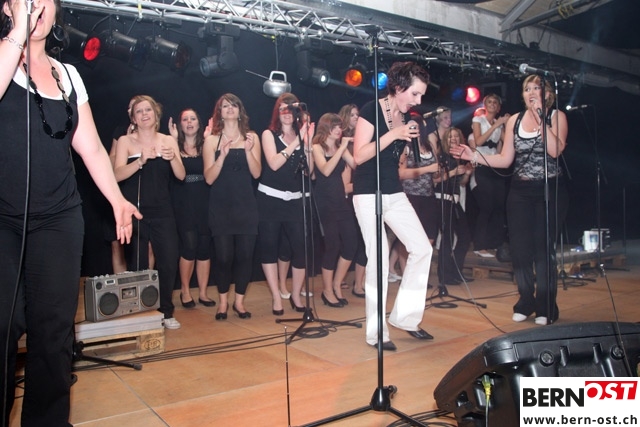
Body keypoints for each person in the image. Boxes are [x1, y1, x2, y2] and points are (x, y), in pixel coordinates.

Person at [0, 1, 141, 424]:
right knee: (4, 327)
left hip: (59, 218)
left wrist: (117, 199)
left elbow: (92, 147)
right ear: (7, 7)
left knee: (54, 332)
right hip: (3, 220)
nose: (36, 5)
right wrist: (16, 34)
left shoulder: (69, 75)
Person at [451, 74, 569, 326]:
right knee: (519, 249)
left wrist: (540, 117)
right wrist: (474, 156)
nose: (531, 93)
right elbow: (504, 160)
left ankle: (546, 306)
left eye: (536, 88)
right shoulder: (514, 120)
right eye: (527, 89)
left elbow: (555, 150)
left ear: (547, 94)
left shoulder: (556, 117)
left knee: (543, 249)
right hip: (520, 191)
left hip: (548, 190)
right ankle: (525, 301)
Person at [352, 61, 434, 351]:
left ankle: (406, 318)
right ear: (398, 88)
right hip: (367, 194)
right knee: (379, 261)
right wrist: (394, 135)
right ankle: (377, 332)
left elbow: (395, 163)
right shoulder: (371, 109)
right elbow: (359, 156)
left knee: (422, 248)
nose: (418, 101)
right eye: (414, 94)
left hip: (394, 192)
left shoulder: (407, 117)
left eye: (421, 95)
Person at [114, 95, 185, 330]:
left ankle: (166, 311)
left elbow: (181, 175)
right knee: (139, 266)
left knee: (168, 262)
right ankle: (142, 314)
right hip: (136, 212)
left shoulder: (167, 140)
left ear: (156, 114)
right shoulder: (125, 141)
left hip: (163, 211)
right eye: (139, 111)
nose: (144, 114)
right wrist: (140, 161)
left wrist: (172, 157)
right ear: (133, 118)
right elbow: (116, 175)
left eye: (148, 110)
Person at [203, 93, 261, 320]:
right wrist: (222, 156)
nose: (230, 109)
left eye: (234, 105)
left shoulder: (251, 137)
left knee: (245, 256)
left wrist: (247, 150)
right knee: (224, 258)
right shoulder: (211, 141)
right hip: (221, 207)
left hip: (246, 207)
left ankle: (239, 302)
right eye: (225, 106)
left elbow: (256, 173)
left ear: (240, 111)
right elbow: (209, 178)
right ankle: (223, 302)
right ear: (219, 112)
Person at [257, 93, 314, 315]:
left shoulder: (302, 136)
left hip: (295, 200)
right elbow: (273, 163)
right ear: (277, 112)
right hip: (270, 199)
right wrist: (296, 143)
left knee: (300, 249)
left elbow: (310, 173)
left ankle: (296, 295)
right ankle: (276, 297)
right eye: (283, 109)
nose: (287, 113)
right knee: (269, 248)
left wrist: (307, 144)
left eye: (291, 109)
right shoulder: (268, 134)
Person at [169, 108, 215, 309]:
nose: (189, 122)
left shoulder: (207, 145)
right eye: (185, 119)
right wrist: (172, 140)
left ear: (199, 122)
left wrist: (209, 138)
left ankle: (203, 293)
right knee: (189, 246)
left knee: (204, 247)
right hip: (183, 202)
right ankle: (185, 291)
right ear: (180, 124)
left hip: (205, 201)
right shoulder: (174, 146)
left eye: (193, 118)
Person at [311, 112, 359, 307]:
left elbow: (355, 164)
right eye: (336, 126)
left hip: (340, 201)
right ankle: (327, 290)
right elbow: (326, 170)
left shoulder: (341, 148)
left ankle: (337, 284)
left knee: (351, 242)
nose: (339, 130)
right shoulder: (317, 147)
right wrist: (342, 149)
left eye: (340, 126)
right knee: (332, 246)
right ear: (326, 127)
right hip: (324, 202)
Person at [469, 94, 510, 258]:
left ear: (499, 107)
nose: (492, 104)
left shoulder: (498, 124)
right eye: (489, 102)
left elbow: (507, 144)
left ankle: (495, 243)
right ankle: (479, 245)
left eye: (495, 102)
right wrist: (497, 125)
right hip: (482, 166)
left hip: (495, 166)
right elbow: (478, 141)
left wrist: (504, 125)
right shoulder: (478, 120)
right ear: (485, 105)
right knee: (486, 207)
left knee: (498, 206)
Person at [433, 127, 473, 285]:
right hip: (442, 199)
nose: (454, 139)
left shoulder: (460, 158)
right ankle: (445, 275)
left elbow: (461, 183)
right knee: (447, 238)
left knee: (465, 236)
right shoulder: (442, 156)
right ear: (445, 140)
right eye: (451, 137)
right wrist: (454, 172)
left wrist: (467, 173)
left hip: (454, 200)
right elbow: (435, 179)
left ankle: (455, 271)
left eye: (457, 136)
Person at [398, 112, 440, 244]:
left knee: (430, 236)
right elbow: (401, 173)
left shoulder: (429, 146)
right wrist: (427, 169)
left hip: (428, 196)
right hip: (411, 196)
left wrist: (438, 171)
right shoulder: (406, 148)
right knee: (410, 239)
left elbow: (435, 171)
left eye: (416, 127)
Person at [338, 104, 366, 297]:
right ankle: (340, 281)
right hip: (348, 200)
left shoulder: (363, 140)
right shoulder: (343, 144)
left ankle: (359, 283)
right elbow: (344, 186)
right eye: (353, 115)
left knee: (364, 242)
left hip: (362, 197)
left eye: (358, 115)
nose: (357, 117)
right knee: (349, 243)